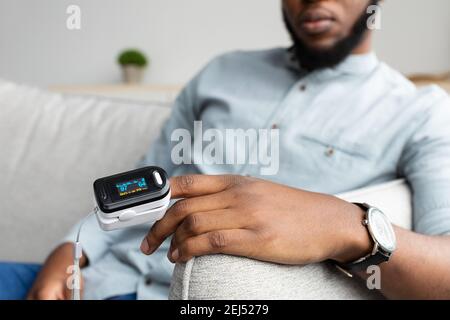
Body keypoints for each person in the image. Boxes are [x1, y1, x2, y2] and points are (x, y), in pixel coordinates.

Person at [1, 0, 450, 300]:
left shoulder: (419, 112)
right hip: (95, 279)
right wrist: (71, 249)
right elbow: (143, 181)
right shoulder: (221, 72)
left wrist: (345, 224)